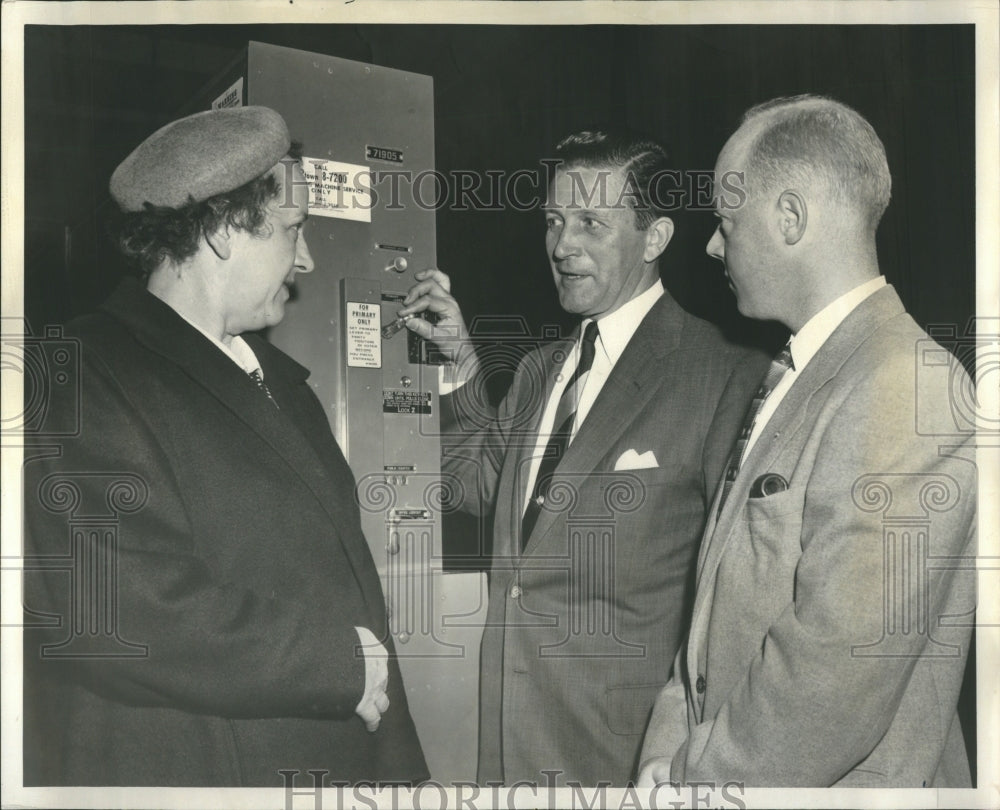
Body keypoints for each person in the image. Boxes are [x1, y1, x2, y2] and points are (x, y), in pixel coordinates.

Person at [21, 106, 428, 786]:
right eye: (293, 229)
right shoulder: (82, 372)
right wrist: (336, 665)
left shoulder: (281, 383)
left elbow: (353, 598)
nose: (307, 258)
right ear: (219, 230)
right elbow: (119, 608)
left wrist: (401, 777)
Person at [398, 130, 767, 786]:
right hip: (508, 748)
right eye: (554, 221)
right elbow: (469, 488)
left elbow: (742, 599)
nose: (562, 245)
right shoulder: (541, 371)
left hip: (621, 762)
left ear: (654, 239)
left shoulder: (724, 376)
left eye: (591, 223)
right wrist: (458, 365)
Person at [637, 95, 977, 787]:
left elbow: (830, 683)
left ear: (790, 218)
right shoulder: (800, 373)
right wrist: (659, 754)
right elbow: (702, 631)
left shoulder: (908, 385)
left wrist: (684, 780)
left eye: (726, 223)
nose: (711, 244)